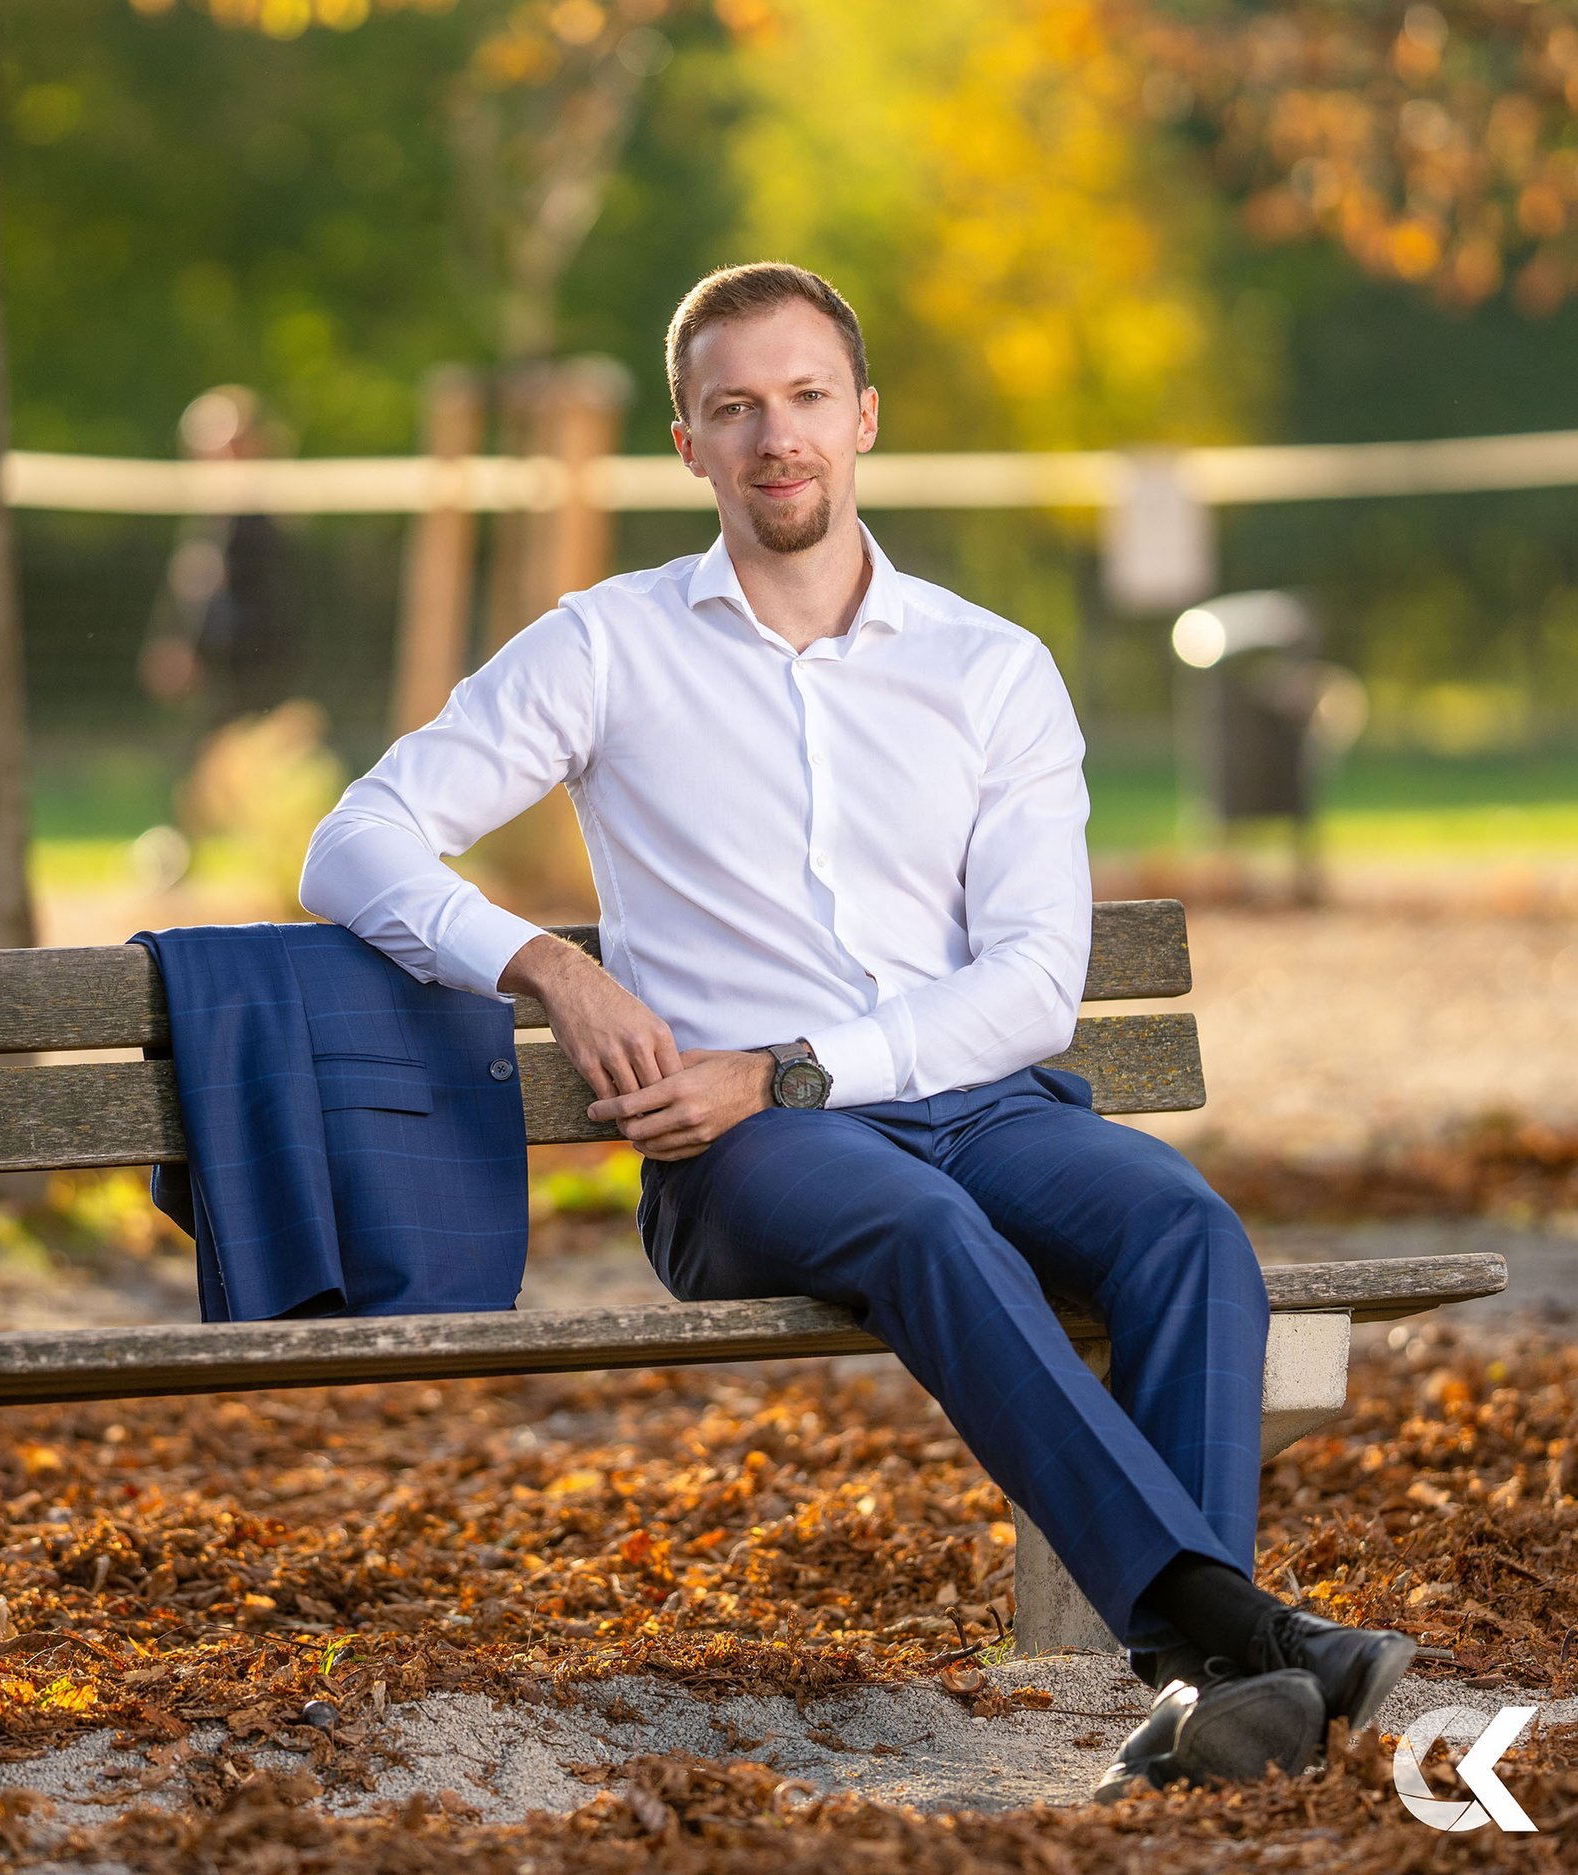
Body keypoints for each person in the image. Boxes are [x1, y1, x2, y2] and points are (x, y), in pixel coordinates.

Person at [299, 262, 1414, 1797]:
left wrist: (807, 1059)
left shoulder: (990, 667)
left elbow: (1034, 978)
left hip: (974, 1098)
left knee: (1185, 1227)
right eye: (736, 406)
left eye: (808, 396)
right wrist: (551, 966)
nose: (779, 436)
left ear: (865, 417)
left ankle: (1210, 1675)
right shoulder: (606, 645)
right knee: (923, 1225)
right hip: (747, 1151)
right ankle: (1239, 1636)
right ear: (688, 444)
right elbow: (354, 842)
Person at [139, 386, 301, 724]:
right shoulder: (204, 522)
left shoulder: (272, 520)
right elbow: (190, 589)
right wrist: (175, 641)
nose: (219, 454)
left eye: (231, 443)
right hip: (212, 683)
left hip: (265, 679)